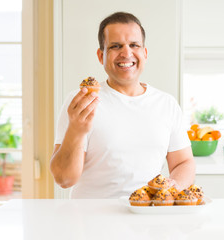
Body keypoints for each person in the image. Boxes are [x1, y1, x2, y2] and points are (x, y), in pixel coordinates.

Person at [50, 12, 195, 198]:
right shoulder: (81, 102)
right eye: (115, 46)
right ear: (101, 55)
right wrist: (76, 131)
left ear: (145, 53)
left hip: (148, 216)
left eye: (134, 45)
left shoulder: (166, 104)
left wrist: (174, 185)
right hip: (91, 219)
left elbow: (184, 162)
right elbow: (64, 179)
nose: (126, 53)